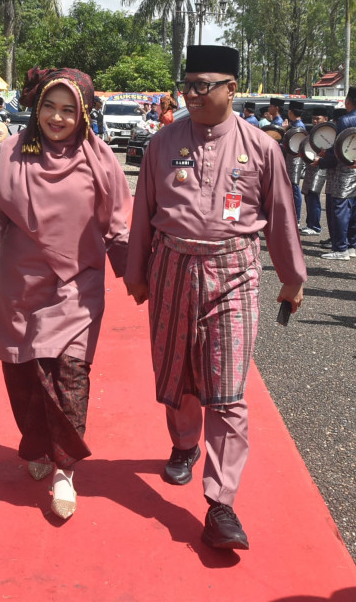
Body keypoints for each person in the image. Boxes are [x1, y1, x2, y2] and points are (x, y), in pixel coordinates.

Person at [125, 44, 307, 551]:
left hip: (234, 270)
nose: (194, 94)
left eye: (204, 85)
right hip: (170, 266)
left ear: (232, 88)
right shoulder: (162, 143)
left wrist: (292, 279)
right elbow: (143, 211)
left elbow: (281, 217)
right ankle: (184, 446)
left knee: (227, 386)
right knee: (177, 367)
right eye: (188, 85)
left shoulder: (261, 148)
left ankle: (222, 503)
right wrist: (135, 272)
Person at [0, 67, 130, 521]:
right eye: (49, 107)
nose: (58, 118)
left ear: (84, 115)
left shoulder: (100, 160)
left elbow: (117, 227)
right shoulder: (9, 153)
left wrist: (139, 277)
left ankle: (66, 469)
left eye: (68, 110)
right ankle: (37, 444)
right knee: (24, 375)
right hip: (18, 284)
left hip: (78, 287)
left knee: (70, 376)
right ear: (35, 108)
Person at [320, 87, 356, 261]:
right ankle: (351, 245)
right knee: (355, 207)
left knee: (340, 208)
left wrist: (323, 158)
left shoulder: (344, 120)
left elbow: (338, 148)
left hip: (343, 168)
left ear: (347, 101)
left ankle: (340, 248)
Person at [300, 107, 329, 236]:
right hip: (311, 166)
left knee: (313, 194)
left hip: (320, 167)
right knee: (308, 194)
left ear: (325, 119)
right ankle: (310, 223)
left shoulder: (328, 133)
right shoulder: (312, 132)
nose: (315, 121)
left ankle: (315, 226)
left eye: (318, 118)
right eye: (313, 119)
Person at [282, 102, 307, 226]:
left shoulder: (297, 127)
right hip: (292, 160)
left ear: (290, 112)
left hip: (295, 160)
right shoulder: (296, 125)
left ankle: (296, 218)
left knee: (294, 187)